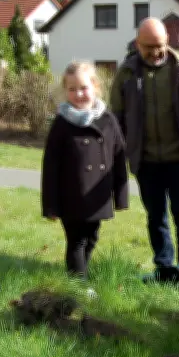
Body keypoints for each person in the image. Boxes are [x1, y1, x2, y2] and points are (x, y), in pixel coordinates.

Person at [110, 17, 179, 285]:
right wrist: (119, 156)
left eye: (160, 46)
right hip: (145, 162)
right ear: (137, 43)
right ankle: (164, 268)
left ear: (167, 42)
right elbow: (116, 119)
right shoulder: (126, 74)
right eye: (149, 47)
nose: (155, 52)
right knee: (156, 217)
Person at [42, 61, 129, 279]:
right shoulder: (62, 123)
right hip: (71, 195)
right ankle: (78, 283)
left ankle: (80, 274)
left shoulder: (107, 120)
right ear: (66, 91)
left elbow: (119, 158)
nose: (78, 94)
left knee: (92, 237)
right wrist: (50, 205)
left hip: (97, 195)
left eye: (83, 88)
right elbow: (50, 167)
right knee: (77, 240)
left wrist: (121, 197)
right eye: (72, 89)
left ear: (95, 88)